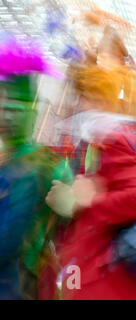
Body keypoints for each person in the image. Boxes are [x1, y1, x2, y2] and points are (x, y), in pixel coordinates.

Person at [46, 65, 136, 300]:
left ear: (103, 102)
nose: (78, 105)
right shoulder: (97, 143)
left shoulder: (118, 140)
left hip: (108, 284)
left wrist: (83, 202)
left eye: (85, 98)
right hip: (89, 275)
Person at [0, 35, 72, 300]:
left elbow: (70, 220)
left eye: (15, 107)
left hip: (24, 282)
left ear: (33, 111)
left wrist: (70, 204)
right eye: (2, 106)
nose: (6, 115)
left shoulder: (51, 164)